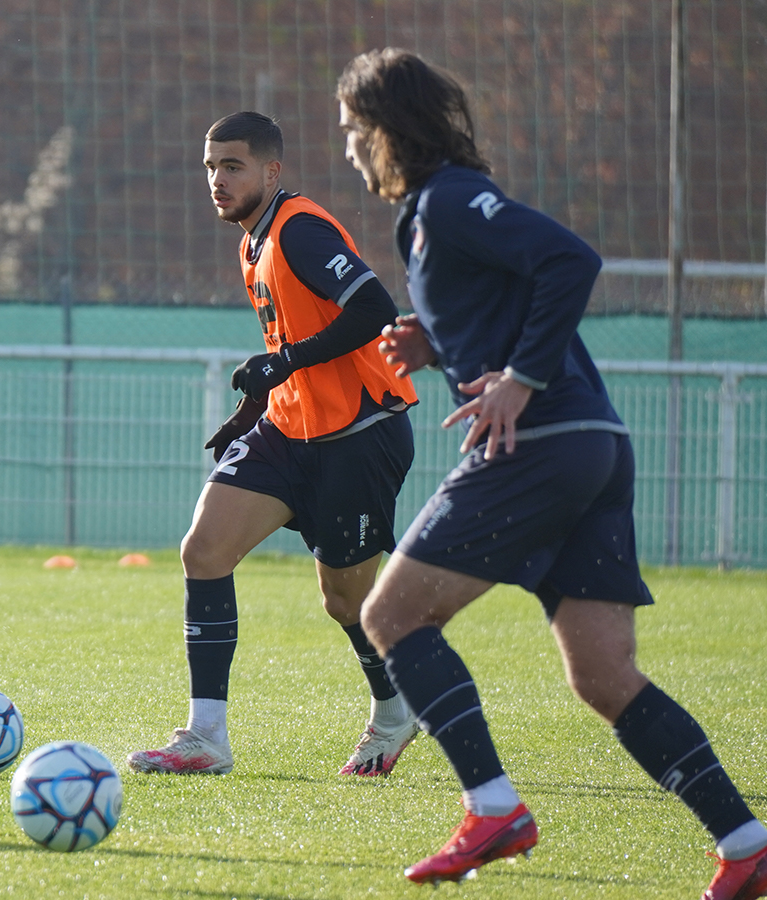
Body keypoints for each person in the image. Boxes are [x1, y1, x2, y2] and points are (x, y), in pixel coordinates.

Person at [336, 47, 767, 897]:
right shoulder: (428, 214)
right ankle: (748, 844)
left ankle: (493, 809)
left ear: (389, 129)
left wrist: (521, 379)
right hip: (591, 446)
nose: (348, 146)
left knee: (389, 614)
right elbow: (505, 303)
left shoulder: (449, 198)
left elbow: (571, 260)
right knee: (604, 675)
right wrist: (436, 344)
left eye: (355, 129)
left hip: (544, 442)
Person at [126, 111, 420, 778]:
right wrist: (255, 405)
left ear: (271, 171)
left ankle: (396, 708)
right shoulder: (251, 244)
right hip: (289, 428)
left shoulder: (299, 229)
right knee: (204, 550)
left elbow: (374, 309)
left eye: (232, 166)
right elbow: (291, 345)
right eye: (210, 167)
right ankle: (206, 737)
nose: (217, 180)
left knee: (345, 602)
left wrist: (283, 363)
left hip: (359, 434)